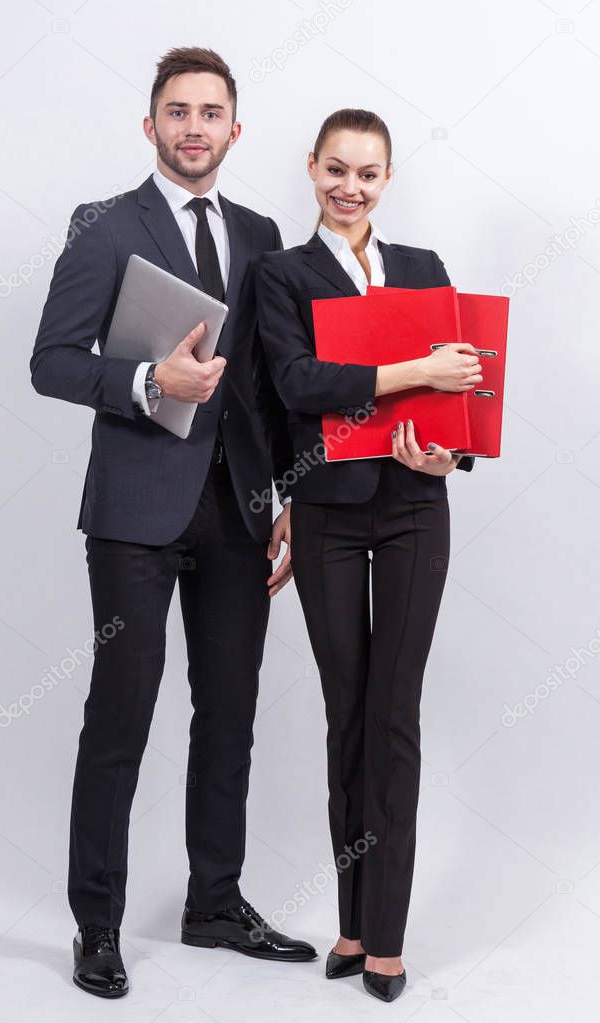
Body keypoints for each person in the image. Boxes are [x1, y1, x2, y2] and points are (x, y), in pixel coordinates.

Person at [30, 46, 315, 1000]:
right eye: (177, 111)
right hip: (136, 513)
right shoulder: (108, 228)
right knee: (121, 714)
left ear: (237, 129)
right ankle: (97, 924)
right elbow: (53, 361)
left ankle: (215, 901)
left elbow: (273, 386)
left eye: (212, 112)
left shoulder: (263, 232)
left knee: (228, 714)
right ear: (149, 125)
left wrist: (283, 496)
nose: (195, 127)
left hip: (237, 510)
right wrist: (151, 383)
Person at [255, 108, 481, 1004]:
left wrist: (448, 451)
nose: (351, 187)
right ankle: (349, 922)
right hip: (328, 513)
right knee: (345, 710)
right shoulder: (281, 272)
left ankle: (384, 938)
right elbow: (294, 385)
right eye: (337, 169)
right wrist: (415, 371)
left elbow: (466, 393)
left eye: (370, 173)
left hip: (416, 508)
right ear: (311, 168)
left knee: (394, 712)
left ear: (388, 180)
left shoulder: (423, 270)